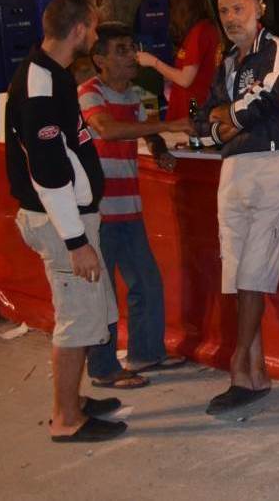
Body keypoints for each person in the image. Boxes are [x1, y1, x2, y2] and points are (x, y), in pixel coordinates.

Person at [5, 0, 125, 442]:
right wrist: (76, 241)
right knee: (76, 320)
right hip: (60, 222)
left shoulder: (53, 73)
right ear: (77, 30)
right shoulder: (40, 83)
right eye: (92, 28)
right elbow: (48, 170)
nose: (95, 36)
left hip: (69, 218)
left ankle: (72, 400)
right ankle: (66, 419)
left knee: (87, 313)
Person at [200, 0, 279, 414]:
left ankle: (240, 364)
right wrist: (223, 124)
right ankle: (254, 373)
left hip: (273, 162)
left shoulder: (275, 49)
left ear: (259, 8)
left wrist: (228, 119)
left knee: (253, 273)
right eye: (223, 10)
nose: (230, 17)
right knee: (237, 272)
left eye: (238, 8)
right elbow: (205, 119)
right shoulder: (227, 62)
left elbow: (267, 97)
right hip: (233, 168)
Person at [80, 23, 192, 388]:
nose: (131, 56)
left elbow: (148, 131)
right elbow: (108, 129)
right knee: (103, 292)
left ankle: (145, 353)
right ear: (100, 60)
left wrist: (160, 150)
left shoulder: (136, 95)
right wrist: (170, 124)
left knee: (146, 281)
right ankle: (102, 368)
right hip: (97, 212)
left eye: (132, 48)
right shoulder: (89, 93)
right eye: (121, 50)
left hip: (128, 208)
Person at [137, 0, 220, 121]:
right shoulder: (203, 29)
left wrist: (153, 62)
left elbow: (185, 80)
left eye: (173, 6)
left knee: (190, 133)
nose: (171, 12)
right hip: (192, 104)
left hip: (193, 107)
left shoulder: (200, 31)